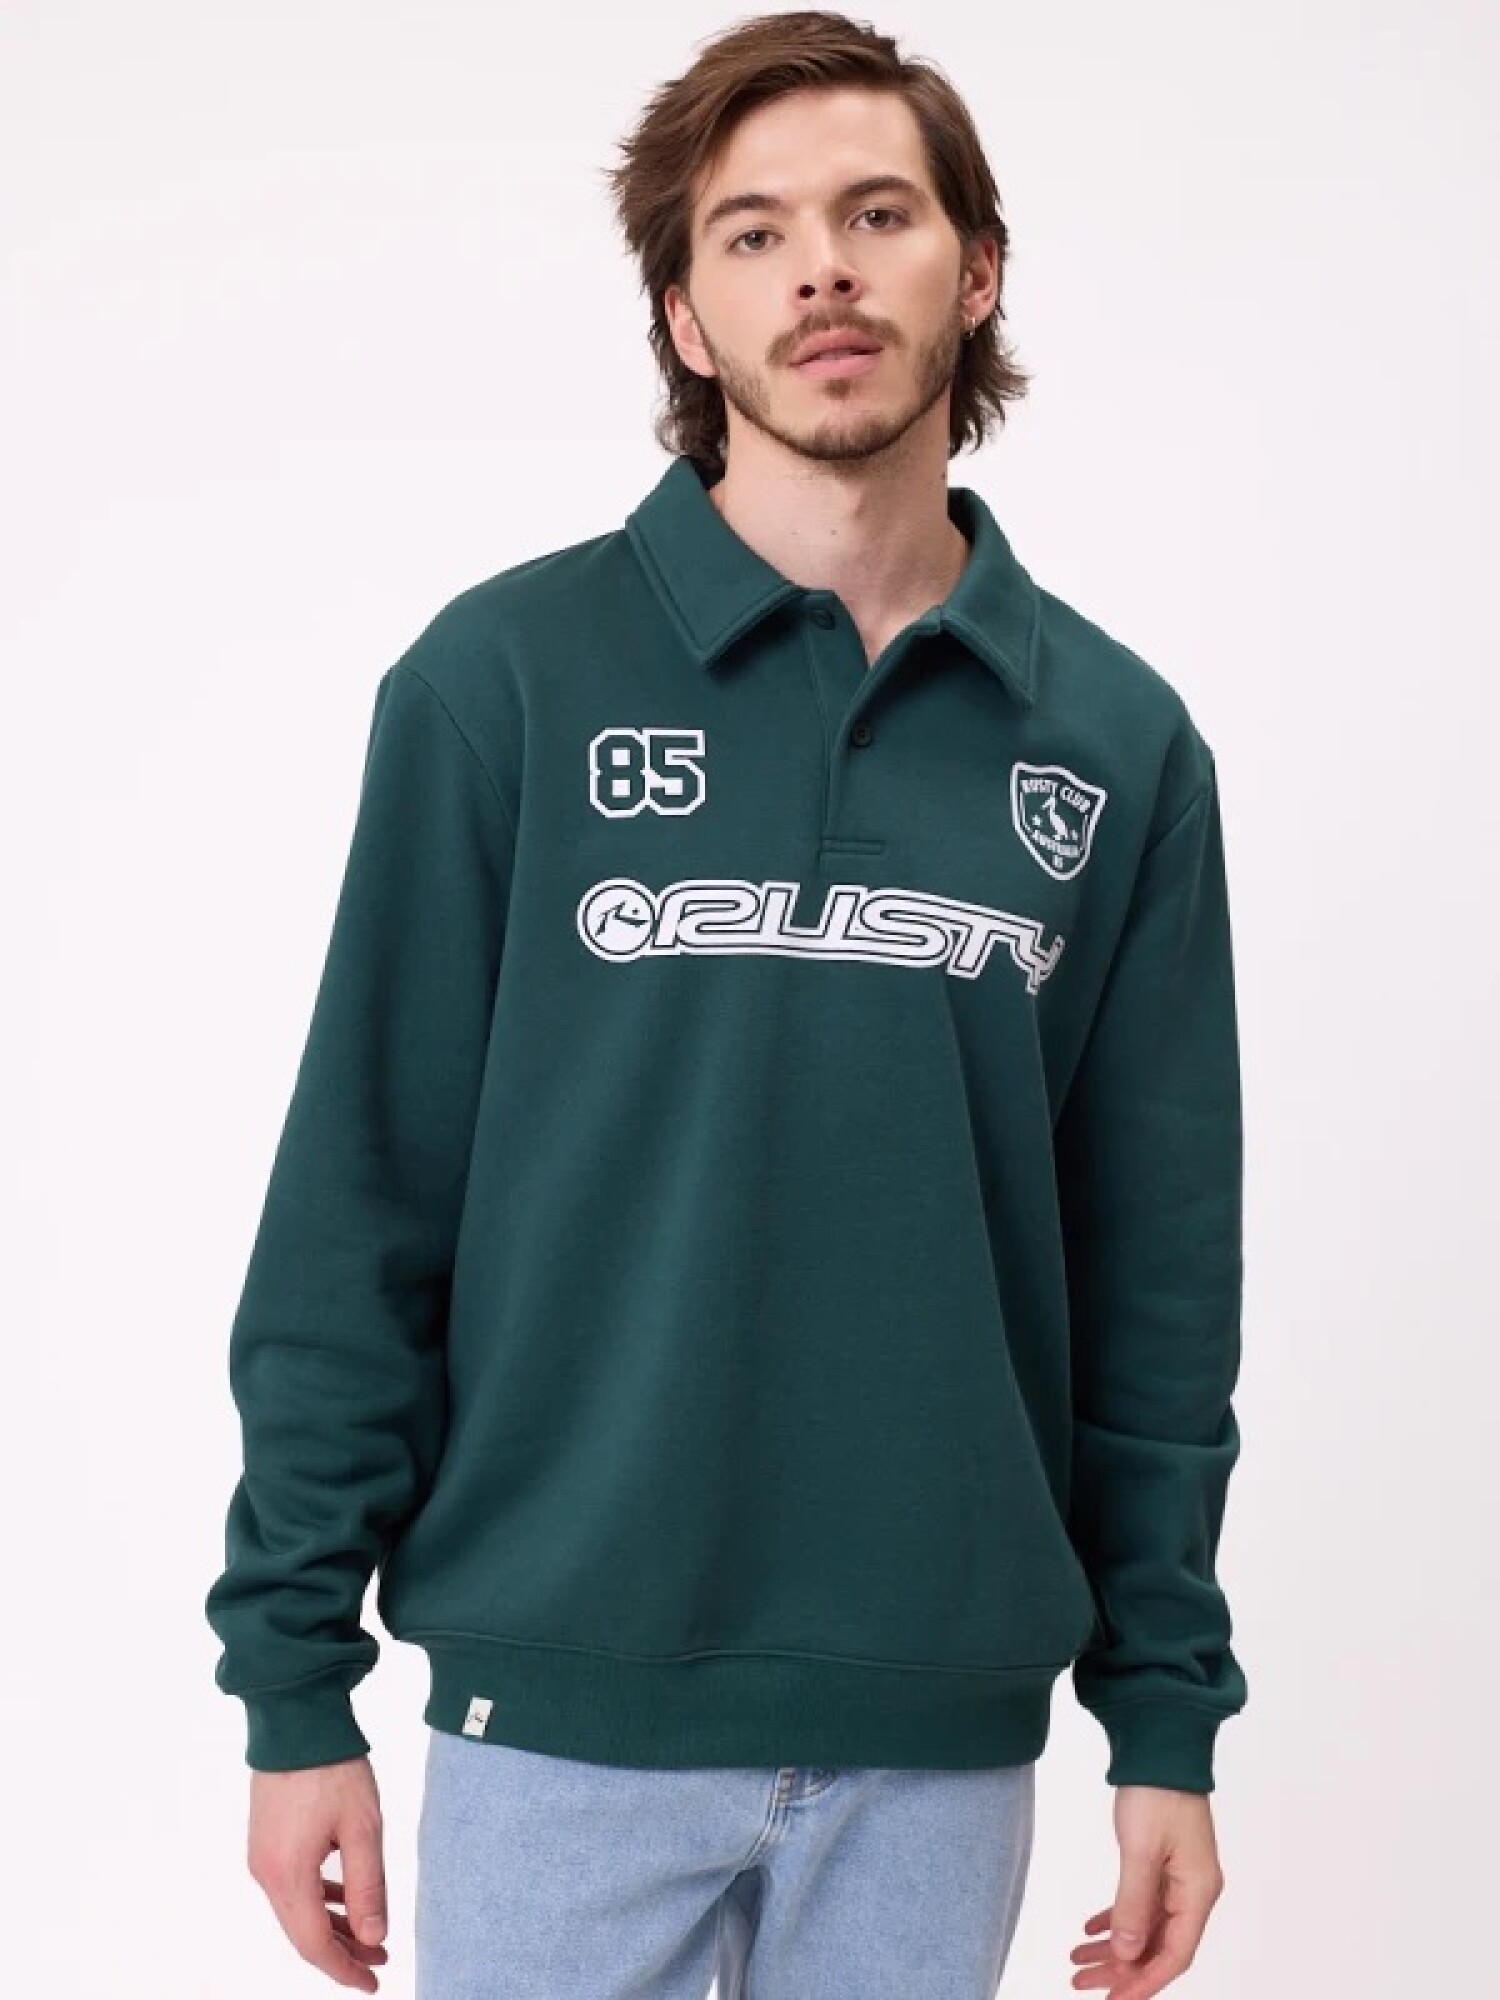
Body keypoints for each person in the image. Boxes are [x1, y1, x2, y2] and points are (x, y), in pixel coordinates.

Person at [204, 10, 1247, 1997]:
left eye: (878, 213)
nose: (822, 270)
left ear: (978, 270)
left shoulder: (1117, 745)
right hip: (558, 1710)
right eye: (755, 234)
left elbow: (1159, 1280)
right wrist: (292, 1681)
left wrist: (1167, 1718)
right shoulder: (503, 682)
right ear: (688, 317)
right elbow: (362, 1197)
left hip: (941, 1732)